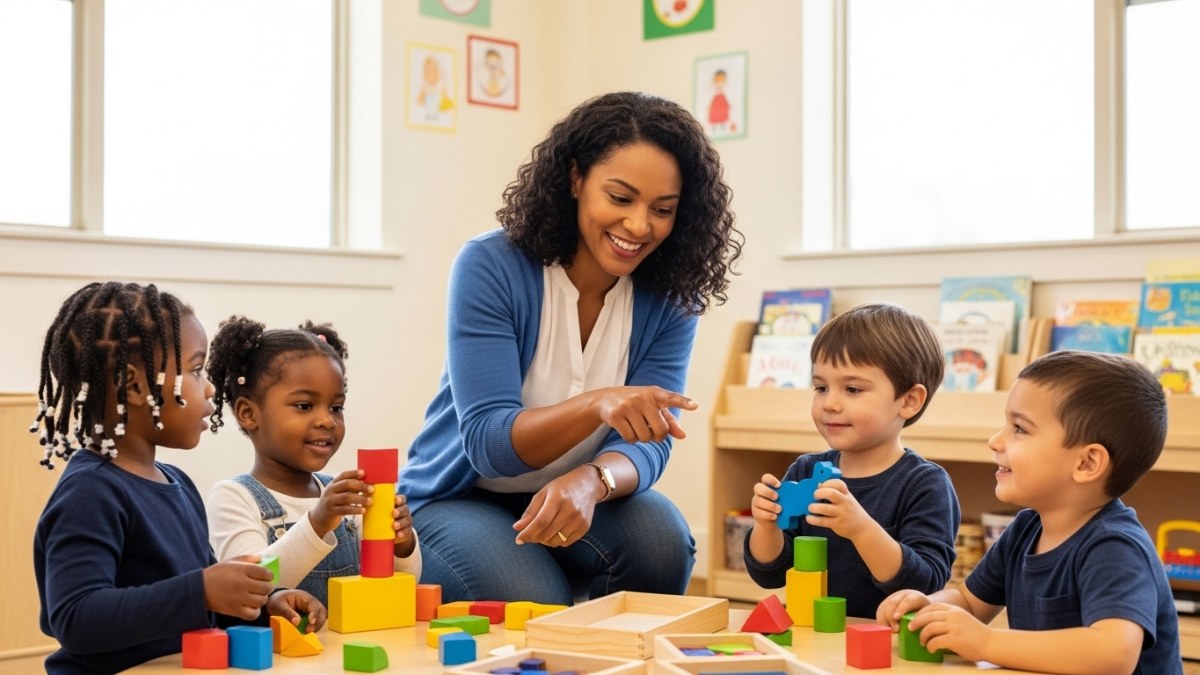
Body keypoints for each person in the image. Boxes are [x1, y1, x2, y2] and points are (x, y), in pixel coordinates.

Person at [398, 91, 743, 604]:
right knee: (533, 598)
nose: (639, 226)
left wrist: (593, 480)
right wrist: (597, 402)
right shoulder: (491, 266)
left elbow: (651, 438)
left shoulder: (671, 294)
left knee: (663, 545)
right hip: (462, 498)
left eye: (662, 209)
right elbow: (490, 445)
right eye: (620, 198)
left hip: (582, 495)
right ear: (576, 179)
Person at [31, 282, 325, 675]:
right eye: (196, 369)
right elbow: (76, 617)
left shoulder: (179, 485)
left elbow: (203, 605)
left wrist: (265, 601)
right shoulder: (90, 493)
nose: (209, 387)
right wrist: (201, 589)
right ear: (135, 385)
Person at [878, 351, 1182, 674]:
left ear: (1087, 463)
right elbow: (969, 602)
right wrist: (929, 606)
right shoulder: (1025, 529)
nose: (995, 441)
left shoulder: (1115, 547)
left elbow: (1113, 654)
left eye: (1019, 429)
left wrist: (987, 643)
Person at [744, 302, 960, 619]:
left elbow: (925, 584)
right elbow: (769, 574)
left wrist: (860, 529)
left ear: (909, 401)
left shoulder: (925, 484)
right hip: (811, 631)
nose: (830, 403)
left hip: (887, 642)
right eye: (820, 387)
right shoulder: (805, 470)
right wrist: (765, 526)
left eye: (853, 389)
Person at [205, 316, 421, 606]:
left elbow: (398, 585)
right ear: (248, 413)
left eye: (336, 407)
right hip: (282, 650)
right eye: (304, 406)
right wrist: (317, 523)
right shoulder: (233, 498)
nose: (327, 420)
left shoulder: (347, 499)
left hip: (351, 646)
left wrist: (402, 544)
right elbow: (253, 586)